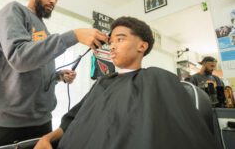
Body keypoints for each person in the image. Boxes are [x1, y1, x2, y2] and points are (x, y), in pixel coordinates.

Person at [35, 16, 219, 149]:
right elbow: (71, 119)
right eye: (111, 41)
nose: (112, 45)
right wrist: (47, 138)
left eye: (120, 39)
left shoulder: (157, 78)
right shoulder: (102, 83)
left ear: (142, 46)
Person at [0, 0, 108, 149]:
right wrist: (74, 35)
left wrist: (57, 76)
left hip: (43, 123)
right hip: (8, 126)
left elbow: (35, 70)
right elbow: (20, 58)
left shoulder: (43, 30)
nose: (54, 1)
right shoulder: (13, 11)